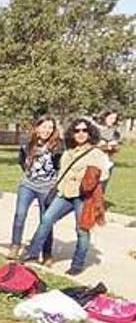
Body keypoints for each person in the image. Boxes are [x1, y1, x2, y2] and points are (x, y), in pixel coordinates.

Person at [20, 118, 110, 276]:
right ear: (72, 133)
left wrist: (89, 180)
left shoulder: (96, 153)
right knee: (46, 219)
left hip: (83, 196)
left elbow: (104, 174)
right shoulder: (68, 151)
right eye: (77, 131)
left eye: (84, 130)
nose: (80, 134)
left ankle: (77, 264)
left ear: (90, 133)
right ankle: (33, 253)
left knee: (81, 230)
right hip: (65, 193)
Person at [7, 115, 62, 263]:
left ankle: (47, 253)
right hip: (28, 185)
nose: (47, 130)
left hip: (48, 188)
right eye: (44, 127)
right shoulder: (27, 142)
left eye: (50, 127)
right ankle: (15, 245)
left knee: (46, 220)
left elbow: (59, 165)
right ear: (37, 127)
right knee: (20, 214)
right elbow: (21, 160)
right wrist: (28, 173)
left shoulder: (57, 145)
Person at [95, 109, 121, 192]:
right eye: (111, 118)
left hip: (108, 162)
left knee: (102, 186)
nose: (112, 121)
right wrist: (106, 146)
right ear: (105, 117)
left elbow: (116, 147)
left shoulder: (115, 132)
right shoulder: (97, 130)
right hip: (95, 161)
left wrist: (112, 147)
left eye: (114, 119)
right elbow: (94, 145)